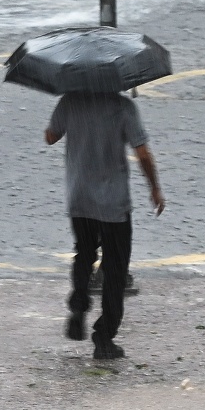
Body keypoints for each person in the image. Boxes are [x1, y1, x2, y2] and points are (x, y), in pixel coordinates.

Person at [45, 90, 165, 360]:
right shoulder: (123, 107)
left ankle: (78, 306)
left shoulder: (70, 101)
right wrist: (155, 188)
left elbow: (51, 137)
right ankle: (104, 338)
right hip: (114, 203)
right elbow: (143, 153)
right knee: (115, 269)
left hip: (80, 198)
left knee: (84, 253)